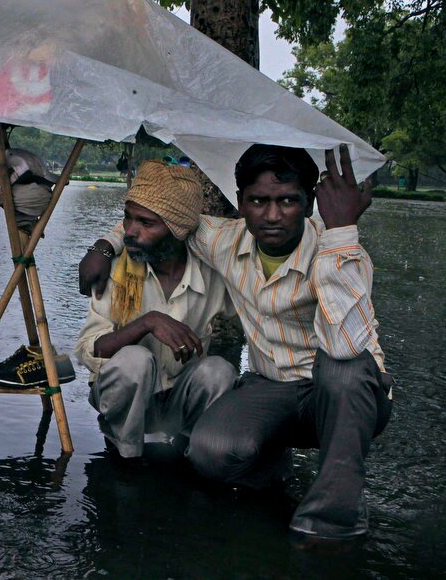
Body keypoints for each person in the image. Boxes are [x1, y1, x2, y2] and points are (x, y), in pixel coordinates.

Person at [79, 144, 393, 541]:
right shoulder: (222, 241)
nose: (273, 215)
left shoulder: (343, 250)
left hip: (344, 393)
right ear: (240, 203)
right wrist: (104, 247)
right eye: (259, 201)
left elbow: (347, 349)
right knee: (211, 453)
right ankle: (271, 467)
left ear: (310, 202)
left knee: (342, 370)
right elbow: (159, 216)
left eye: (288, 201)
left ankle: (334, 519)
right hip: (273, 385)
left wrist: (341, 231)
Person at [74, 160, 237, 459]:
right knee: (135, 360)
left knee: (219, 371)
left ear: (178, 231)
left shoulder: (213, 272)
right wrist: (147, 322)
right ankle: (125, 454)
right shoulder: (115, 269)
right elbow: (89, 350)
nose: (130, 232)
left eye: (146, 224)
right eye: (128, 218)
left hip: (176, 399)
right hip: (123, 396)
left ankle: (192, 450)